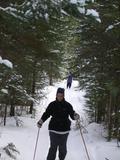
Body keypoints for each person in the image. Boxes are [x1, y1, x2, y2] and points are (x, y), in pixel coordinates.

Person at [37, 87, 79, 160]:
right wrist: (41, 121)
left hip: (64, 130)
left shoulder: (67, 105)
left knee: (63, 148)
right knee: (53, 147)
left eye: (61, 95)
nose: (59, 97)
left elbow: (72, 114)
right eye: (58, 95)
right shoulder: (52, 105)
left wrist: (75, 115)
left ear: (63, 96)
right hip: (53, 129)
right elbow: (47, 114)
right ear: (56, 95)